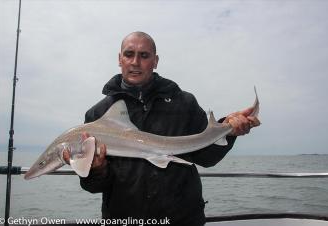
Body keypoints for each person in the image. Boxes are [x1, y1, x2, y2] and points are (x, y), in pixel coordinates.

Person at [64, 31, 260, 226]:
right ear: (119, 59)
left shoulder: (184, 103)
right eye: (129, 54)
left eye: (144, 55)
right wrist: (97, 170)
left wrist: (229, 130)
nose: (135, 62)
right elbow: (93, 186)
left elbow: (207, 158)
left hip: (183, 219)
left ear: (155, 61)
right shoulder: (97, 115)